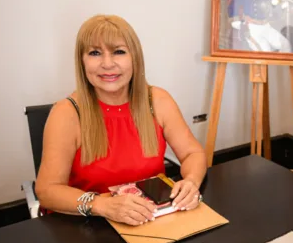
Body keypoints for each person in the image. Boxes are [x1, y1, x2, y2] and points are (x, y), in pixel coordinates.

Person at [35, 15, 207, 226]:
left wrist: (191, 182)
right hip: (89, 225)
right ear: (82, 61)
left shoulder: (158, 100)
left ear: (135, 57)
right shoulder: (66, 113)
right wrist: (102, 205)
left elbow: (192, 153)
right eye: (95, 53)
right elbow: (47, 191)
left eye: (118, 52)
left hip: (151, 219)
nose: (107, 64)